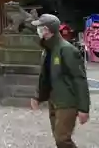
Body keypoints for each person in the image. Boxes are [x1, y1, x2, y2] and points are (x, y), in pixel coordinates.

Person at [30, 14, 90, 148]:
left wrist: (83, 108)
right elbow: (44, 76)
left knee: (62, 139)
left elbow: (79, 79)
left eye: (39, 27)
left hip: (67, 101)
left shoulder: (67, 50)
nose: (37, 30)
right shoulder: (47, 50)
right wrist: (38, 96)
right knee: (58, 137)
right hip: (54, 100)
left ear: (46, 29)